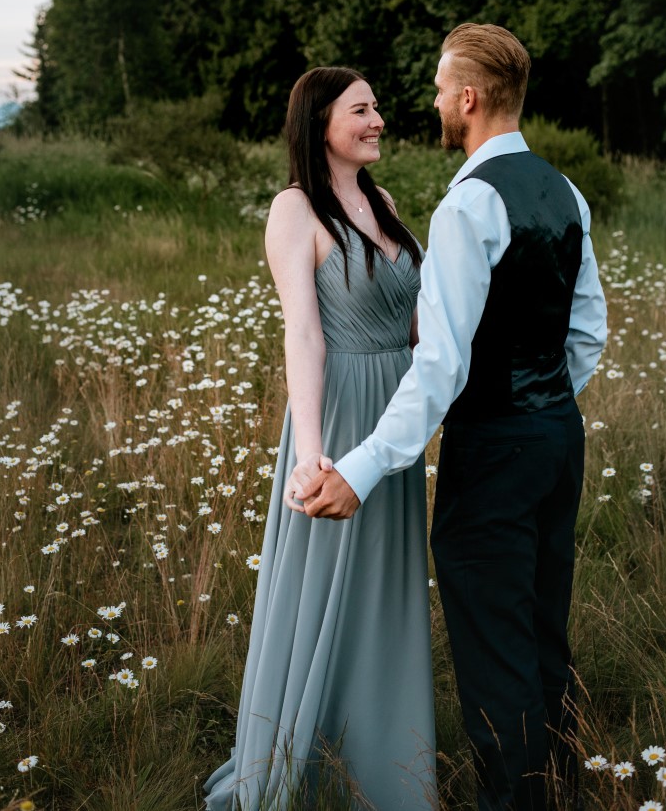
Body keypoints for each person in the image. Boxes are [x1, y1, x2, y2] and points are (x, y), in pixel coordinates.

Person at [290, 24, 608, 811]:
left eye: (438, 89)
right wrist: (540, 402)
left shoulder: (469, 205)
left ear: (468, 98)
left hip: (496, 453)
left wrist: (360, 470)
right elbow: (589, 332)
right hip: (558, 438)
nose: (431, 102)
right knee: (542, 634)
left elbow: (440, 364)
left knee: (496, 654)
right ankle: (556, 786)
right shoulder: (565, 190)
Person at [204, 67, 436, 811]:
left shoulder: (385, 203)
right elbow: (302, 333)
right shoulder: (293, 210)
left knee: (385, 583)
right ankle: (303, 754)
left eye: (377, 109)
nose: (377, 120)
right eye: (360, 110)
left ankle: (385, 756)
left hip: (396, 419)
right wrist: (310, 452)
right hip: (337, 416)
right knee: (327, 581)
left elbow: (418, 323)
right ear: (320, 124)